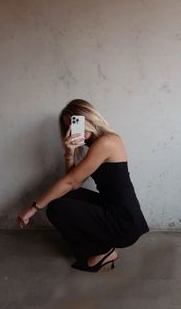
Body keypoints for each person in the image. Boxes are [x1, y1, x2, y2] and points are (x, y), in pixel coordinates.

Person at [17, 99, 150, 272]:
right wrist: (69, 153)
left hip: (123, 221)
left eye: (75, 122)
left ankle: (103, 251)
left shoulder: (107, 141)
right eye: (68, 126)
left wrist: (34, 208)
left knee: (56, 207)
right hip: (113, 208)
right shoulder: (96, 143)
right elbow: (75, 184)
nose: (72, 130)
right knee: (63, 196)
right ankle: (100, 247)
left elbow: (70, 182)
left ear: (88, 117)